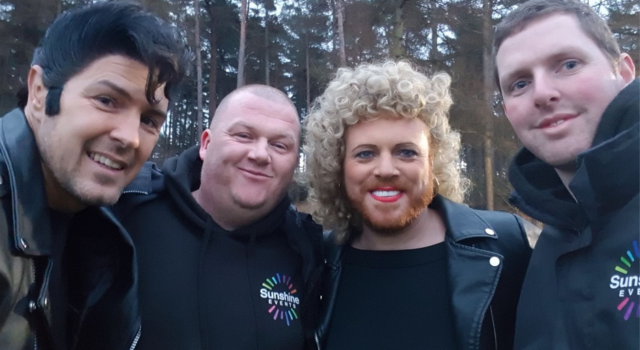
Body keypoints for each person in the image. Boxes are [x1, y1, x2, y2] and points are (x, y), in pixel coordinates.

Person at [304, 61, 534, 350]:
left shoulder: (504, 247)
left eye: (406, 152)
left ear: (433, 161)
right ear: (337, 167)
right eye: (365, 154)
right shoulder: (318, 264)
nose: (386, 169)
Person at [0, 2, 190, 349]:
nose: (130, 137)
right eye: (106, 100)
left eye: (149, 120)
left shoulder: (100, 231)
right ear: (39, 92)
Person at [114, 85, 324, 350]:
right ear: (206, 143)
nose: (260, 154)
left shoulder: (306, 249)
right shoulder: (125, 210)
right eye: (244, 136)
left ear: (294, 164)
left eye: (279, 145)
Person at [492, 0, 639, 348]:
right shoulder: (539, 254)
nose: (542, 93)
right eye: (519, 83)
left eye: (568, 65)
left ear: (625, 72)